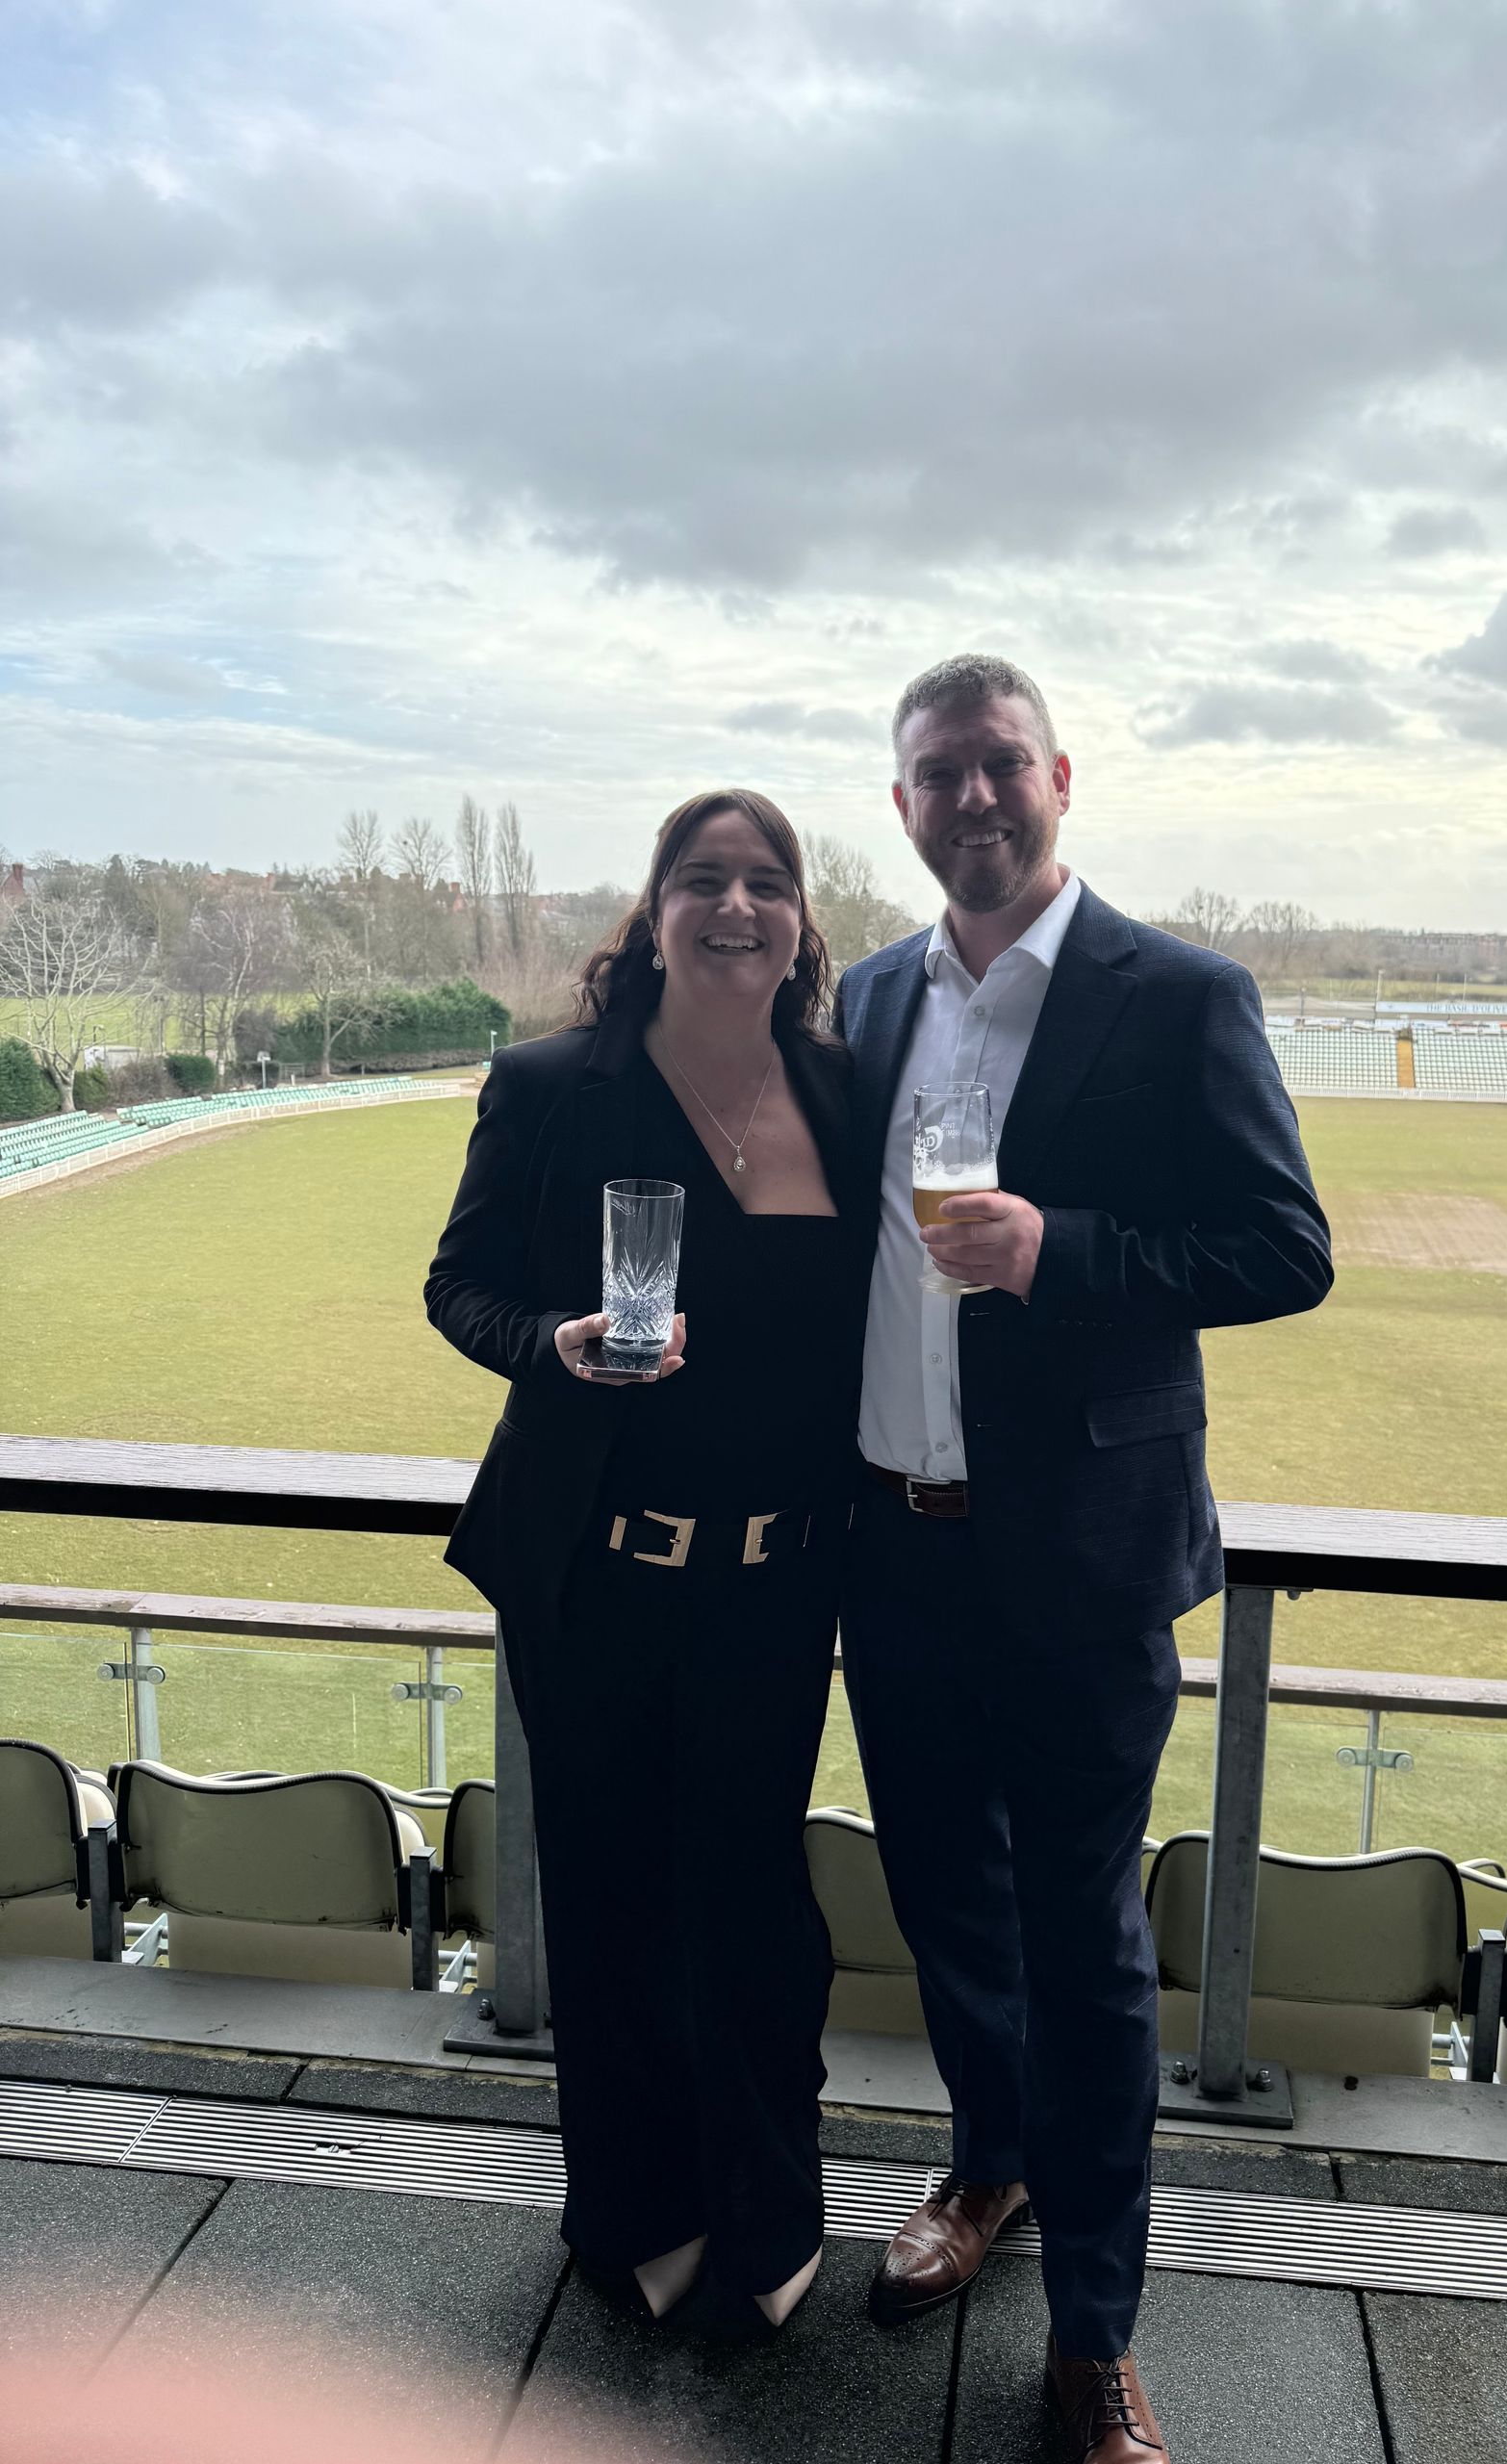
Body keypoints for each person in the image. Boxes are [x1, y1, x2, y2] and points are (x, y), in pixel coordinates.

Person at [836, 655, 1333, 2463]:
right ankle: (988, 2169)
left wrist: (1065, 1250)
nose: (970, 799)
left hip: (1082, 1559)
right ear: (900, 807)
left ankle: (1099, 2335)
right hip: (893, 1548)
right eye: (935, 776)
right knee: (948, 1905)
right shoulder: (874, 997)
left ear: (1060, 778)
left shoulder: (1179, 994)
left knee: (1089, 1944)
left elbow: (1286, 1246)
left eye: (997, 768)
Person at [425, 790, 864, 2334]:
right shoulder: (553, 1085)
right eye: (703, 881)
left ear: (803, 919)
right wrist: (547, 1346)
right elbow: (459, 1285)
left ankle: (770, 2207)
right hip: (598, 1572)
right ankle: (634, 2208)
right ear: (655, 911)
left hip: (779, 1579)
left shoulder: (849, 1090)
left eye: (767, 883)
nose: (735, 907)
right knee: (609, 1900)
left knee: (755, 1908)